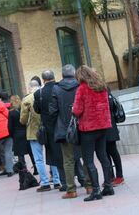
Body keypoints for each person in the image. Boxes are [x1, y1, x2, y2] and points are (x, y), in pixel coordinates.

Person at [72, 65, 114, 201]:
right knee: (103, 156)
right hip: (103, 126)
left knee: (89, 160)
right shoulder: (102, 86)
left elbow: (77, 110)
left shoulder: (82, 89)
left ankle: (96, 190)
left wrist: (73, 109)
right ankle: (108, 186)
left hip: (88, 129)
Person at [49, 64, 91, 199]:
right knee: (86, 157)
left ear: (62, 75)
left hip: (64, 129)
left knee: (68, 160)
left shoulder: (56, 88)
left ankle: (71, 189)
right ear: (74, 74)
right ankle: (89, 185)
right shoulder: (81, 86)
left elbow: (52, 111)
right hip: (82, 126)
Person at [33, 70, 64, 191]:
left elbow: (37, 110)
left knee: (54, 155)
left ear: (43, 79)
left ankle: (61, 181)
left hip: (49, 128)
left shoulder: (39, 93)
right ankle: (78, 178)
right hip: (62, 124)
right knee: (68, 153)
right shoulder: (60, 88)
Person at [21, 80, 53, 192]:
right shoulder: (45, 94)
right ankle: (57, 180)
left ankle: (44, 182)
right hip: (48, 129)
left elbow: (23, 119)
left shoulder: (27, 99)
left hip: (34, 132)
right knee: (52, 155)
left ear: (30, 87)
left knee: (38, 159)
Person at [106, 90, 125, 186]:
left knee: (113, 152)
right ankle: (110, 176)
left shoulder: (105, 91)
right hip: (105, 127)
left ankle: (119, 176)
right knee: (105, 154)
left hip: (110, 127)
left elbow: (110, 106)